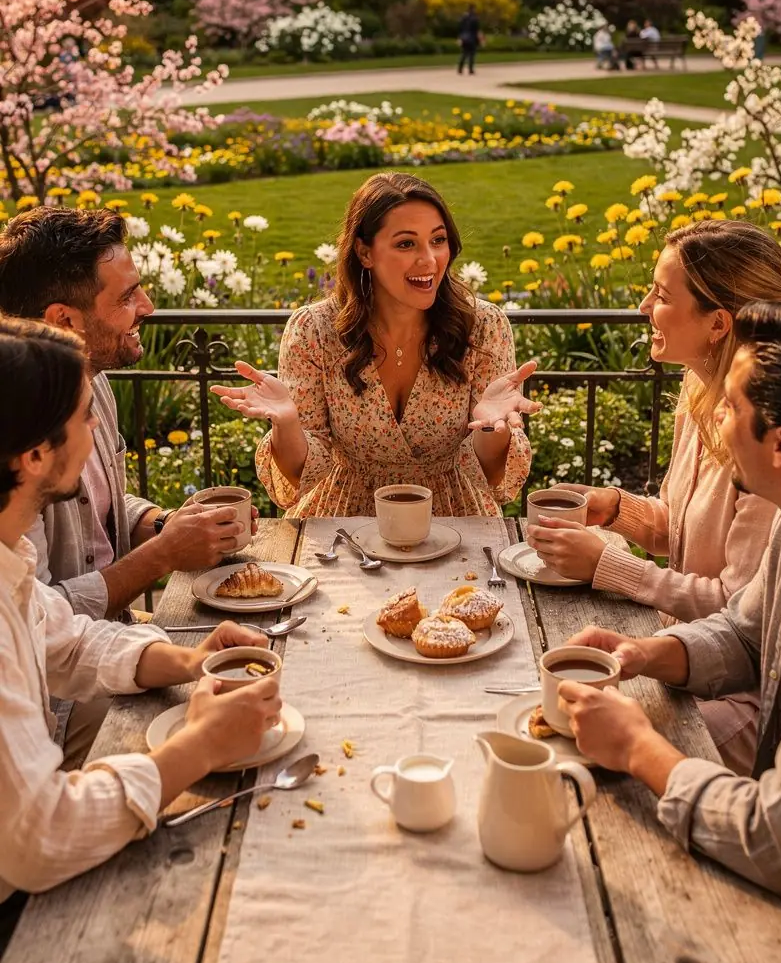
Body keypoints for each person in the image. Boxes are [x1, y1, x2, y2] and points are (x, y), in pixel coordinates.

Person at [558, 300, 781, 963]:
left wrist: (638, 748)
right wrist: (648, 652)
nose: (718, 425)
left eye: (730, 409)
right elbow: (743, 631)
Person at [0, 315, 281, 902]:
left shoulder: (12, 556)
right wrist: (200, 746)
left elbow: (69, 639)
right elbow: (38, 837)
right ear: (33, 456)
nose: (96, 425)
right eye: (83, 417)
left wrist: (188, 659)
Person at [528, 220, 781, 773]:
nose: (642, 307)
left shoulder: (768, 445)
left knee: (575, 749)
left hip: (746, 706)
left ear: (717, 324)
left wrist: (609, 568)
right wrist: (616, 510)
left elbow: (736, 602)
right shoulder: (702, 392)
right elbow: (704, 558)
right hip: (694, 658)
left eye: (660, 295)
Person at [212, 172, 535, 517]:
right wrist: (288, 423)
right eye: (406, 244)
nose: (429, 260)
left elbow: (487, 475)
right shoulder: (314, 330)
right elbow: (298, 476)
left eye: (438, 240)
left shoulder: (483, 326)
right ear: (365, 253)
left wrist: (491, 427)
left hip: (453, 518)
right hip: (343, 522)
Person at [0, 208, 251, 627]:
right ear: (64, 320)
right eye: (127, 296)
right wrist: (164, 554)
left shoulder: (91, 382)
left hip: (118, 638)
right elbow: (40, 623)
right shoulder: (19, 433)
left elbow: (99, 513)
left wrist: (168, 524)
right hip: (68, 685)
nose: (148, 307)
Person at [457, 4, 481, 75]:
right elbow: (477, 30)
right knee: (472, 54)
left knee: (464, 53)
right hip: (472, 38)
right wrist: (479, 39)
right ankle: (470, 69)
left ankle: (460, 68)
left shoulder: (464, 18)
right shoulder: (475, 18)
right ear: (473, 9)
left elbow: (460, 28)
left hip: (464, 37)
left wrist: (460, 37)